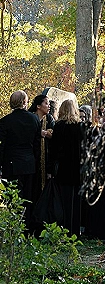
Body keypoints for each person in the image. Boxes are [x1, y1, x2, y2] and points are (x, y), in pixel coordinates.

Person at [0, 90, 41, 231]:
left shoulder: (5, 121)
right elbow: (36, 145)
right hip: (29, 163)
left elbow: (2, 146)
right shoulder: (34, 119)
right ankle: (26, 227)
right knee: (27, 198)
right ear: (24, 102)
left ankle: (13, 227)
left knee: (12, 198)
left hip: (11, 164)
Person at [51, 98, 83, 236]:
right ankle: (75, 231)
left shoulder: (59, 126)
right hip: (78, 168)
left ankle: (65, 230)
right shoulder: (81, 126)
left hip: (64, 168)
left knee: (64, 201)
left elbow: (54, 149)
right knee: (76, 202)